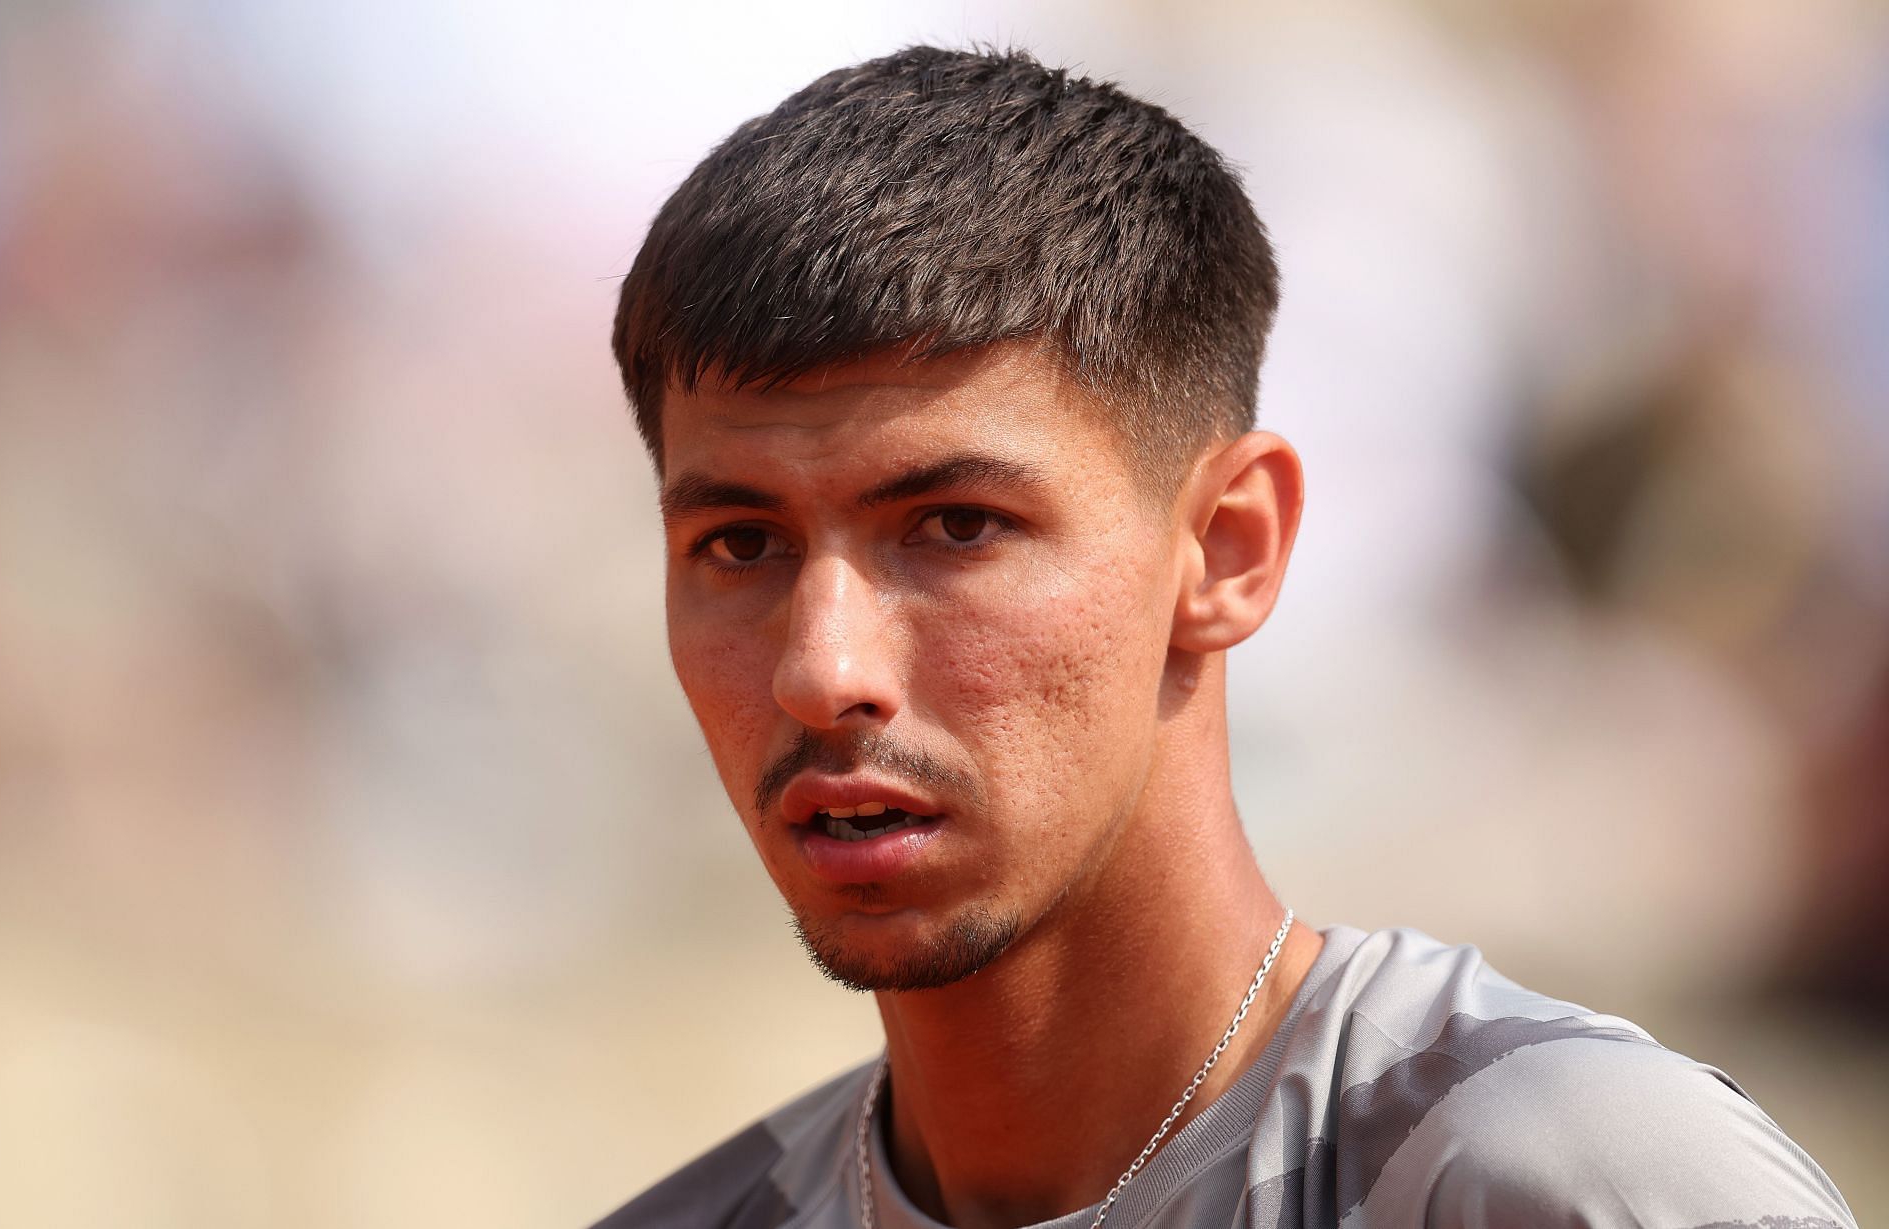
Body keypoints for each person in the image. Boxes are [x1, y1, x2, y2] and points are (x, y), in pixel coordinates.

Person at [594, 45, 1856, 1229]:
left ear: (1228, 549)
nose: (823, 669)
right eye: (741, 545)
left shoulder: (1563, 1178)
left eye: (955, 526)